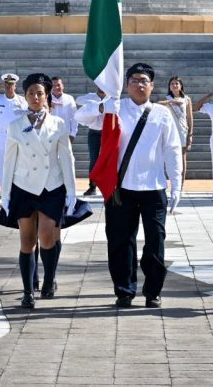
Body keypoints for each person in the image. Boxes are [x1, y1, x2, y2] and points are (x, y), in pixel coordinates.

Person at [76, 63, 183, 308]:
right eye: (134, 80)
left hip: (153, 187)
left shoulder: (161, 113)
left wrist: (176, 184)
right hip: (120, 188)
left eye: (144, 80)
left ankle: (153, 291)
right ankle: (124, 290)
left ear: (152, 86)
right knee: (120, 241)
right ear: (126, 85)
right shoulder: (116, 108)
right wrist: (103, 106)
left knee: (156, 241)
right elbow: (80, 117)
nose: (139, 84)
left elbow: (172, 149)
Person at [0, 73, 77, 309]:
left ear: (47, 96)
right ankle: (27, 291)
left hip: (51, 186)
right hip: (23, 186)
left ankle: (49, 279)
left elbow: (67, 158)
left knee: (46, 235)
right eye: (31, 93)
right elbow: (9, 161)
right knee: (27, 239)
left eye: (40, 93)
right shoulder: (15, 125)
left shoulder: (59, 124)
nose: (35, 97)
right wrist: (5, 194)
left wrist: (72, 191)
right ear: (25, 96)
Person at [75, 87, 106, 196]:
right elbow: (78, 100)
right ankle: (92, 187)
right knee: (94, 159)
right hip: (94, 132)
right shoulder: (91, 96)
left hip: (108, 133)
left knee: (108, 160)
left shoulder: (112, 98)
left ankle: (108, 186)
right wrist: (94, 104)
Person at [160, 76, 193, 164]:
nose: (174, 85)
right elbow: (156, 104)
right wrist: (171, 102)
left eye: (176, 83)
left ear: (181, 86)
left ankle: (182, 178)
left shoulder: (186, 99)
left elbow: (190, 118)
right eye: (172, 83)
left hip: (183, 129)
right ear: (169, 87)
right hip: (172, 130)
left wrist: (190, 134)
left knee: (183, 156)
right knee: (172, 155)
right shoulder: (167, 99)